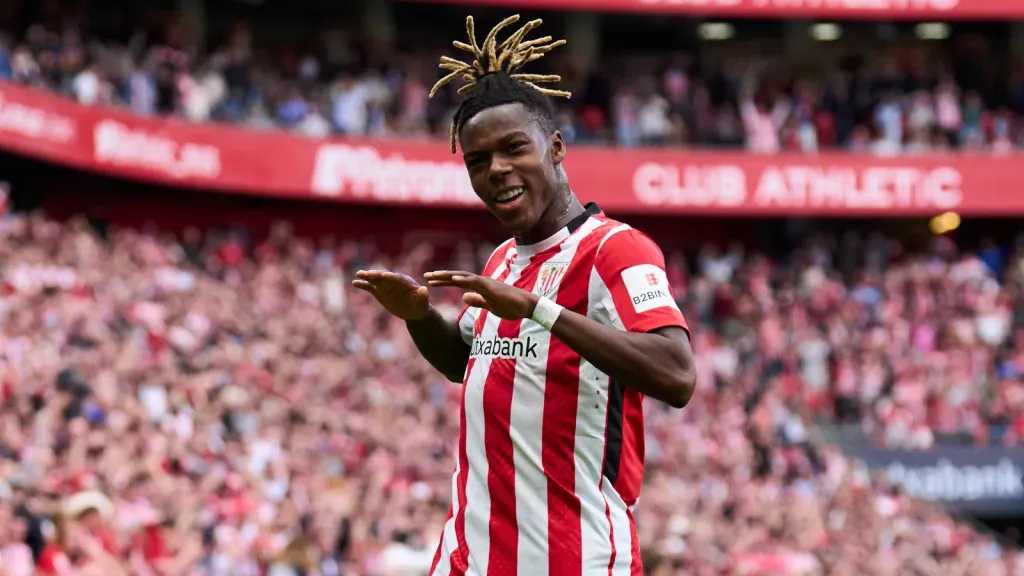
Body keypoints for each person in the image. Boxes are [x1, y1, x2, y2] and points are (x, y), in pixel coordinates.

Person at [352, 14, 696, 576]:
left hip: (573, 559)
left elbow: (678, 376)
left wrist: (540, 310)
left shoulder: (616, 250)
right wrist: (419, 317)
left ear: (556, 147)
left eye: (514, 148)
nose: (497, 170)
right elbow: (467, 362)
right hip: (470, 555)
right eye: (479, 160)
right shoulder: (503, 261)